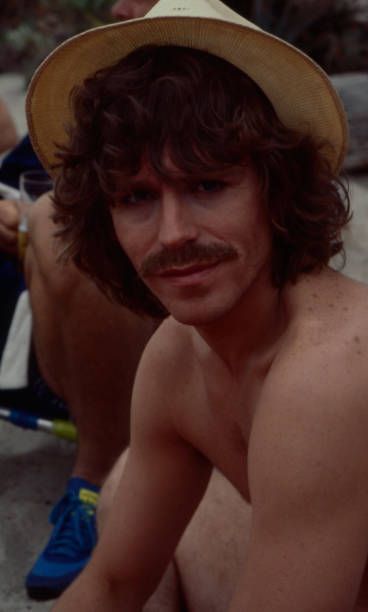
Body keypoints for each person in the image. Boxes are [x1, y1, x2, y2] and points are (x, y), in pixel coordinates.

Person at [23, 0, 368, 610]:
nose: (173, 233)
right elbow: (113, 583)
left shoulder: (327, 376)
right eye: (136, 197)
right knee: (127, 483)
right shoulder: (178, 357)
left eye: (208, 185)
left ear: (276, 188)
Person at [0, 0, 160, 600]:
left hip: (133, 311)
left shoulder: (215, 89)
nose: (117, 5)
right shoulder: (99, 78)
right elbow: (18, 155)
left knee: (63, 224)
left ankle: (92, 480)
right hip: (44, 315)